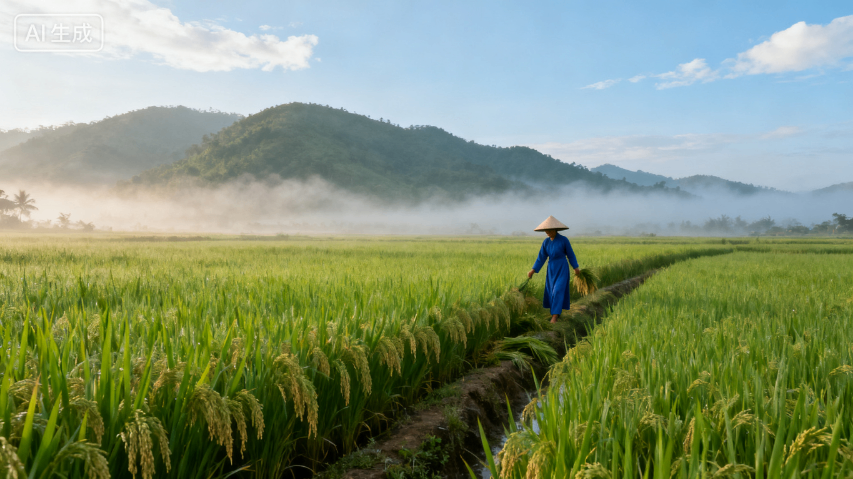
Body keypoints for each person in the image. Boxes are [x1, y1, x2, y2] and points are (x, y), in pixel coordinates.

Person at [527, 216, 580, 323]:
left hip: (562, 267)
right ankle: (555, 312)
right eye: (546, 230)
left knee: (558, 290)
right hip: (551, 269)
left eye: (549, 230)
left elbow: (571, 255)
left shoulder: (564, 240)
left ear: (555, 229)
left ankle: (554, 316)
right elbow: (541, 257)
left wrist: (575, 268)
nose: (547, 232)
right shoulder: (546, 242)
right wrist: (533, 270)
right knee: (551, 291)